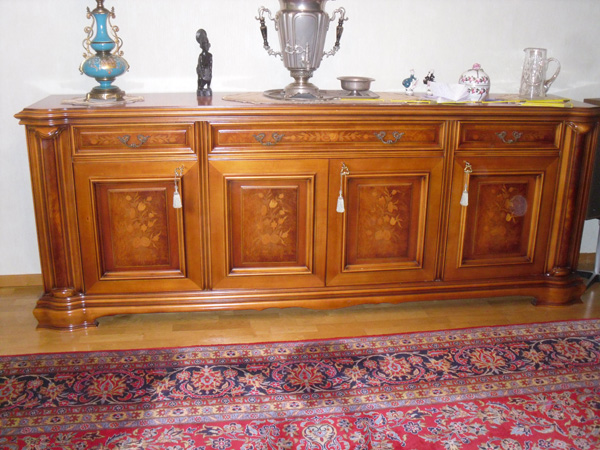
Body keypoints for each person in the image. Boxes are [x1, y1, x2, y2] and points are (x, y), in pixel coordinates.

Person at [196, 29, 212, 97]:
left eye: (206, 44)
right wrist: (201, 72)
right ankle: (201, 87)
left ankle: (207, 86)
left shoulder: (210, 55)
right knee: (200, 80)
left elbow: (210, 65)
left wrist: (210, 72)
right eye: (204, 44)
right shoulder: (201, 56)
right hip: (202, 73)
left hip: (207, 72)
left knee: (208, 79)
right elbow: (200, 65)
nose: (206, 46)